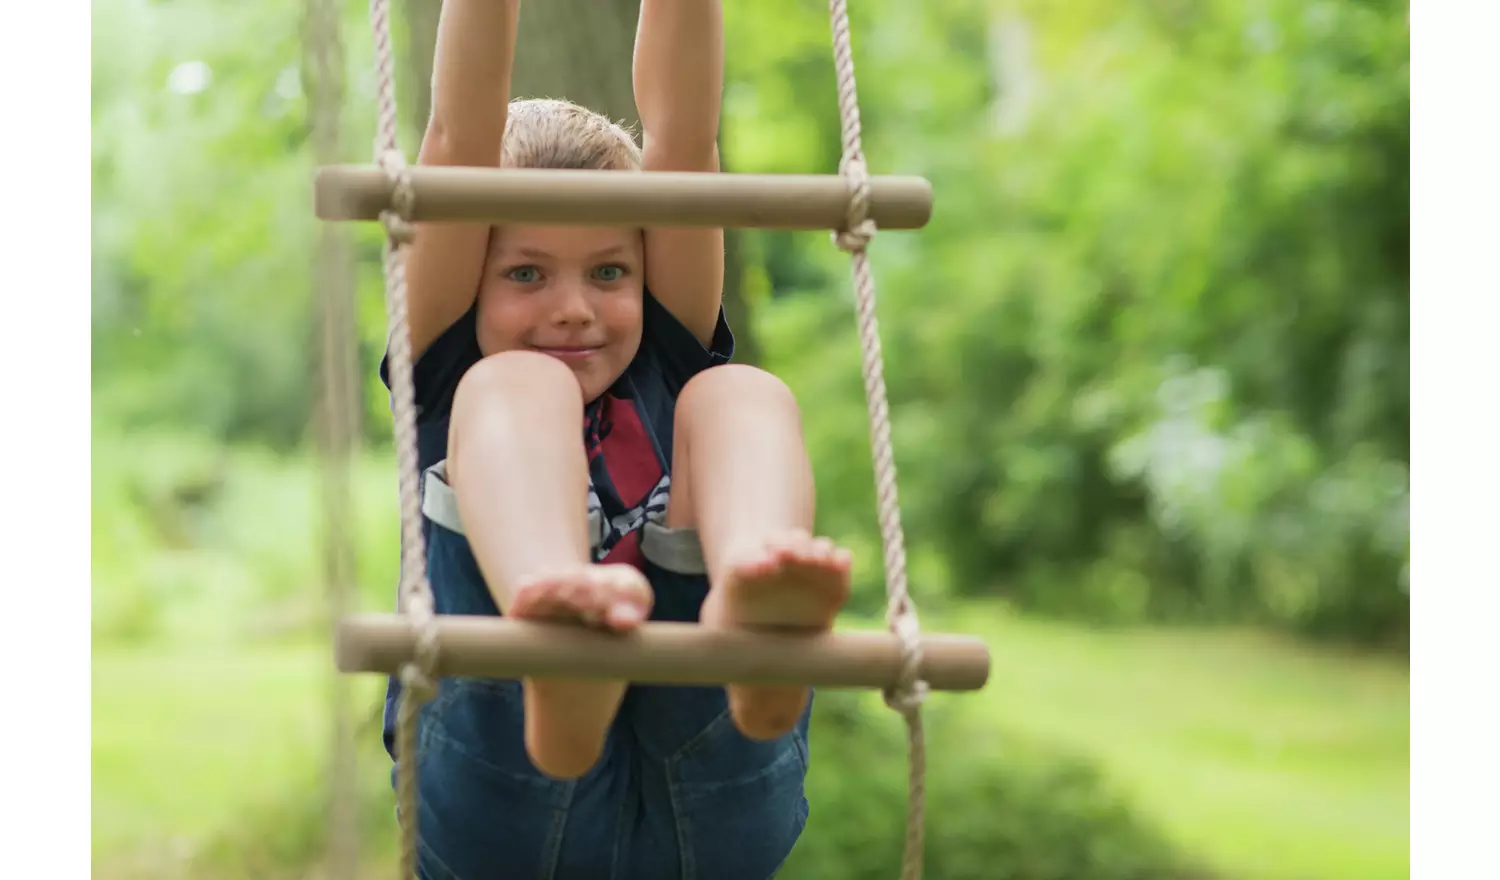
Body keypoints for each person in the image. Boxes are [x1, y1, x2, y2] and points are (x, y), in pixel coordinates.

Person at [376, 1, 854, 878]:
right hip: (501, 777)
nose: (573, 306)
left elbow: (683, 133)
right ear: (468, 283)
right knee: (517, 384)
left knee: (737, 393)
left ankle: (753, 614)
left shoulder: (664, 358)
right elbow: (456, 136)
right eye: (525, 273)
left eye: (609, 272)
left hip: (708, 787)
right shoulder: (449, 364)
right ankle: (550, 628)